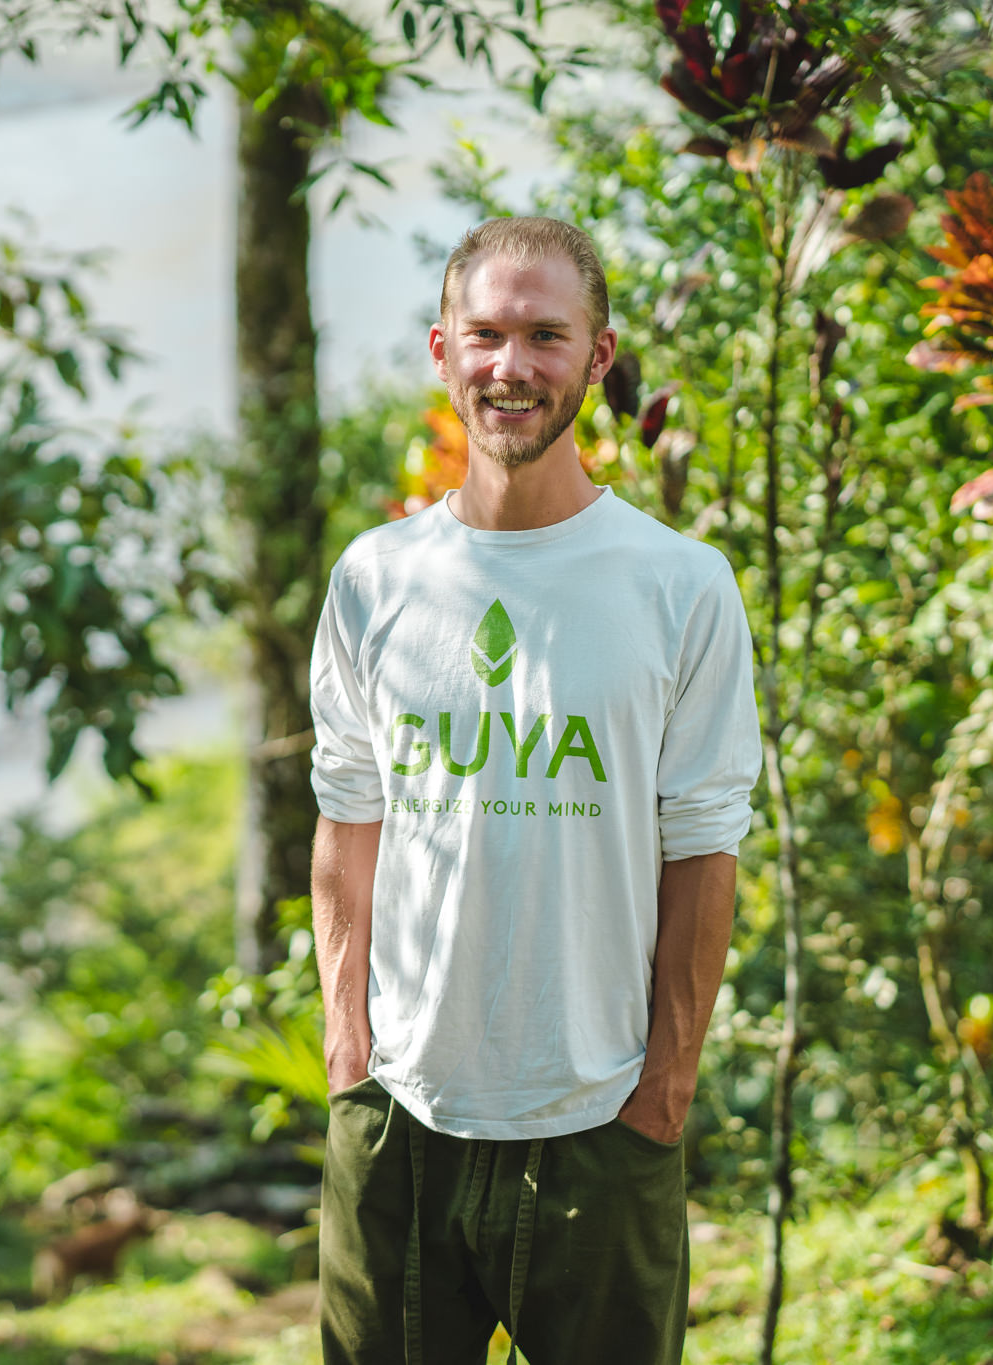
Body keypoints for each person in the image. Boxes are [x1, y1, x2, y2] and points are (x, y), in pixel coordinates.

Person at [308, 215, 762, 1364]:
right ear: (440, 351)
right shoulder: (373, 580)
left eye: (544, 337)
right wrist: (345, 1053)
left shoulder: (678, 585)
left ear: (598, 358)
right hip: (400, 1117)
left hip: (601, 1128)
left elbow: (702, 850)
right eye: (486, 335)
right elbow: (344, 823)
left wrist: (662, 1090)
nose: (511, 367)